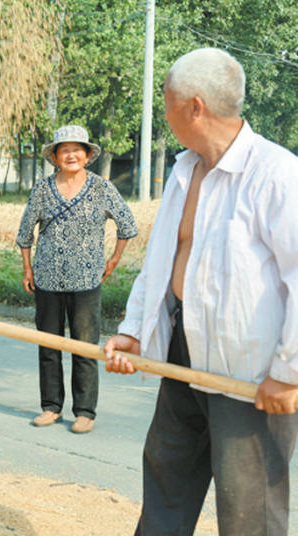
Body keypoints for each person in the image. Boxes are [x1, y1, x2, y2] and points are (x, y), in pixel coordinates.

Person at [104, 48, 298, 535]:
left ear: (194, 106)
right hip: (181, 352)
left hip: (250, 374)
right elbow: (162, 258)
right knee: (166, 480)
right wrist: (133, 330)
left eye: (167, 102)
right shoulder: (185, 169)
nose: (164, 114)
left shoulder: (277, 174)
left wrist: (289, 372)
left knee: (248, 511)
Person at [16, 124, 138, 434]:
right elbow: (25, 232)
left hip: (87, 282)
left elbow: (127, 225)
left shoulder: (102, 188)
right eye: (64, 150)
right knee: (48, 345)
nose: (71, 155)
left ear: (86, 156)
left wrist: (113, 260)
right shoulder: (43, 189)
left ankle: (85, 412)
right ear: (55, 157)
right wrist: (28, 269)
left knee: (84, 348)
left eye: (77, 150)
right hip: (47, 280)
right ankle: (50, 407)